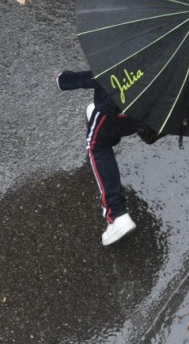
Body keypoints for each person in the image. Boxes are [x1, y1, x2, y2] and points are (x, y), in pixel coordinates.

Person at [57, 69, 146, 246]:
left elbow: (108, 75)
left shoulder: (142, 48)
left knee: (97, 147)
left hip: (116, 111)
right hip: (147, 113)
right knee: (107, 128)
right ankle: (106, 129)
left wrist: (67, 80)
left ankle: (116, 214)